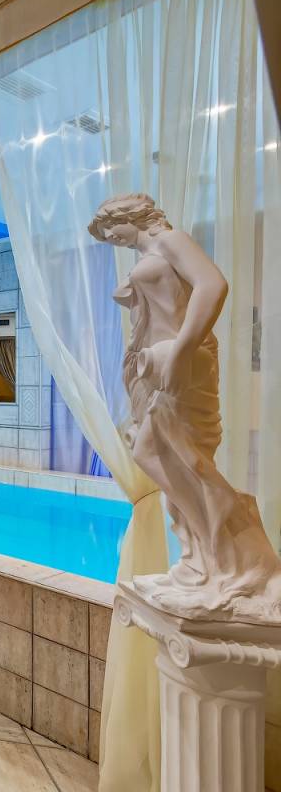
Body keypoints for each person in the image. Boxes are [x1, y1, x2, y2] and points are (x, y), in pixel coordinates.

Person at [89, 193, 281, 623]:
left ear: (131, 216)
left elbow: (213, 285)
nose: (110, 236)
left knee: (181, 458)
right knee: (159, 455)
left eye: (111, 227)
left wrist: (182, 349)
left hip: (183, 360)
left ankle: (235, 551)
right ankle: (204, 555)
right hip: (156, 361)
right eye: (104, 233)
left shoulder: (170, 240)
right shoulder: (148, 255)